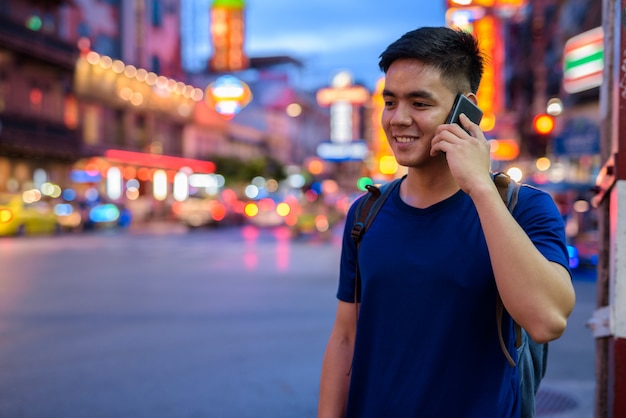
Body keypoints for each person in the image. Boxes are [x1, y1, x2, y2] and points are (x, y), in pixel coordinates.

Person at [317, 26, 575, 418]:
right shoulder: (365, 214)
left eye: (420, 104)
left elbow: (547, 321)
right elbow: (344, 338)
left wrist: (480, 188)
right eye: (390, 102)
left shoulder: (524, 209)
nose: (398, 119)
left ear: (464, 109)